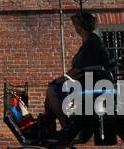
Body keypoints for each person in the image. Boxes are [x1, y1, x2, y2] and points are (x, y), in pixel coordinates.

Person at [43, 11, 113, 140]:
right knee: (51, 95)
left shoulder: (91, 44)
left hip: (91, 86)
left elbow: (77, 70)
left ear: (80, 27)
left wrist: (58, 80)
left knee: (52, 92)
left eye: (75, 25)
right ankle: (48, 126)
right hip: (87, 83)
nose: (75, 28)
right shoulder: (90, 42)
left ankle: (66, 126)